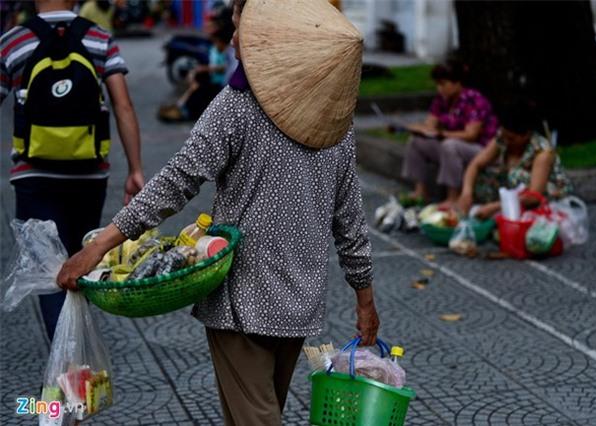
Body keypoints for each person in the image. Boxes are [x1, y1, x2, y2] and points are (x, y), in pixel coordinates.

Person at [57, 0, 379, 424]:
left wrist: (98, 246)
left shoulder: (238, 105)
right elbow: (351, 221)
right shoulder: (337, 120)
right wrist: (364, 299)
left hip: (242, 302)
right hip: (300, 301)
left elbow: (177, 181)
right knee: (257, 414)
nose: (231, 39)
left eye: (239, 28)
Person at [0, 0, 144, 341]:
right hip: (88, 174)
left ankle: (65, 362)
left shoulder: (13, 41)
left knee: (50, 272)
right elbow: (122, 104)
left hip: (33, 175)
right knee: (83, 262)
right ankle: (77, 352)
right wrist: (135, 168)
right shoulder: (99, 38)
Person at [401, 59, 498, 208]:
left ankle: (453, 197)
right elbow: (430, 124)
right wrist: (419, 129)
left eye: (443, 84)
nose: (439, 88)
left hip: (479, 149)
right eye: (438, 84)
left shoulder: (474, 100)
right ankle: (420, 191)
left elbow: (471, 135)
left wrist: (442, 133)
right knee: (416, 141)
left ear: (457, 82)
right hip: (452, 144)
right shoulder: (442, 100)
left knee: (449, 145)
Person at [457, 100, 573, 219]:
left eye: (511, 139)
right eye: (504, 135)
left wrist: (494, 207)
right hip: (516, 191)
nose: (506, 141)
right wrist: (466, 193)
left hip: (545, 195)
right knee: (482, 176)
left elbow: (534, 196)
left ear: (526, 135)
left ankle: (507, 210)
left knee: (516, 175)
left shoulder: (542, 152)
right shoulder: (503, 137)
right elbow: (475, 164)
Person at [158, 11, 237, 122]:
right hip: (223, 84)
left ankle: (182, 110)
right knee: (197, 85)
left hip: (224, 87)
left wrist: (206, 69)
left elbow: (228, 72)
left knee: (198, 89)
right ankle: (180, 107)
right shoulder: (225, 49)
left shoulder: (230, 51)